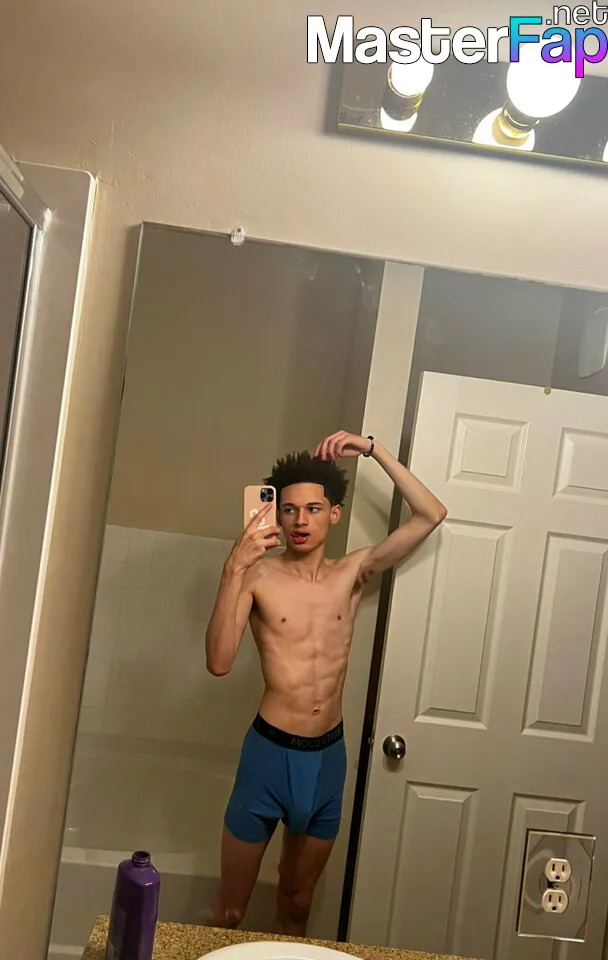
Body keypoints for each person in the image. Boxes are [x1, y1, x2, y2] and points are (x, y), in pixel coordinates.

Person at [205, 430, 447, 935]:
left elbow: (431, 514)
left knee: (296, 904)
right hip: (267, 757)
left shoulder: (353, 573)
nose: (300, 521)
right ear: (276, 516)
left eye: (313, 509)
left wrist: (373, 450)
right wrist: (234, 566)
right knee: (230, 913)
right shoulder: (256, 577)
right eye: (289, 510)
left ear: (334, 514)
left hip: (327, 759)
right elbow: (219, 662)